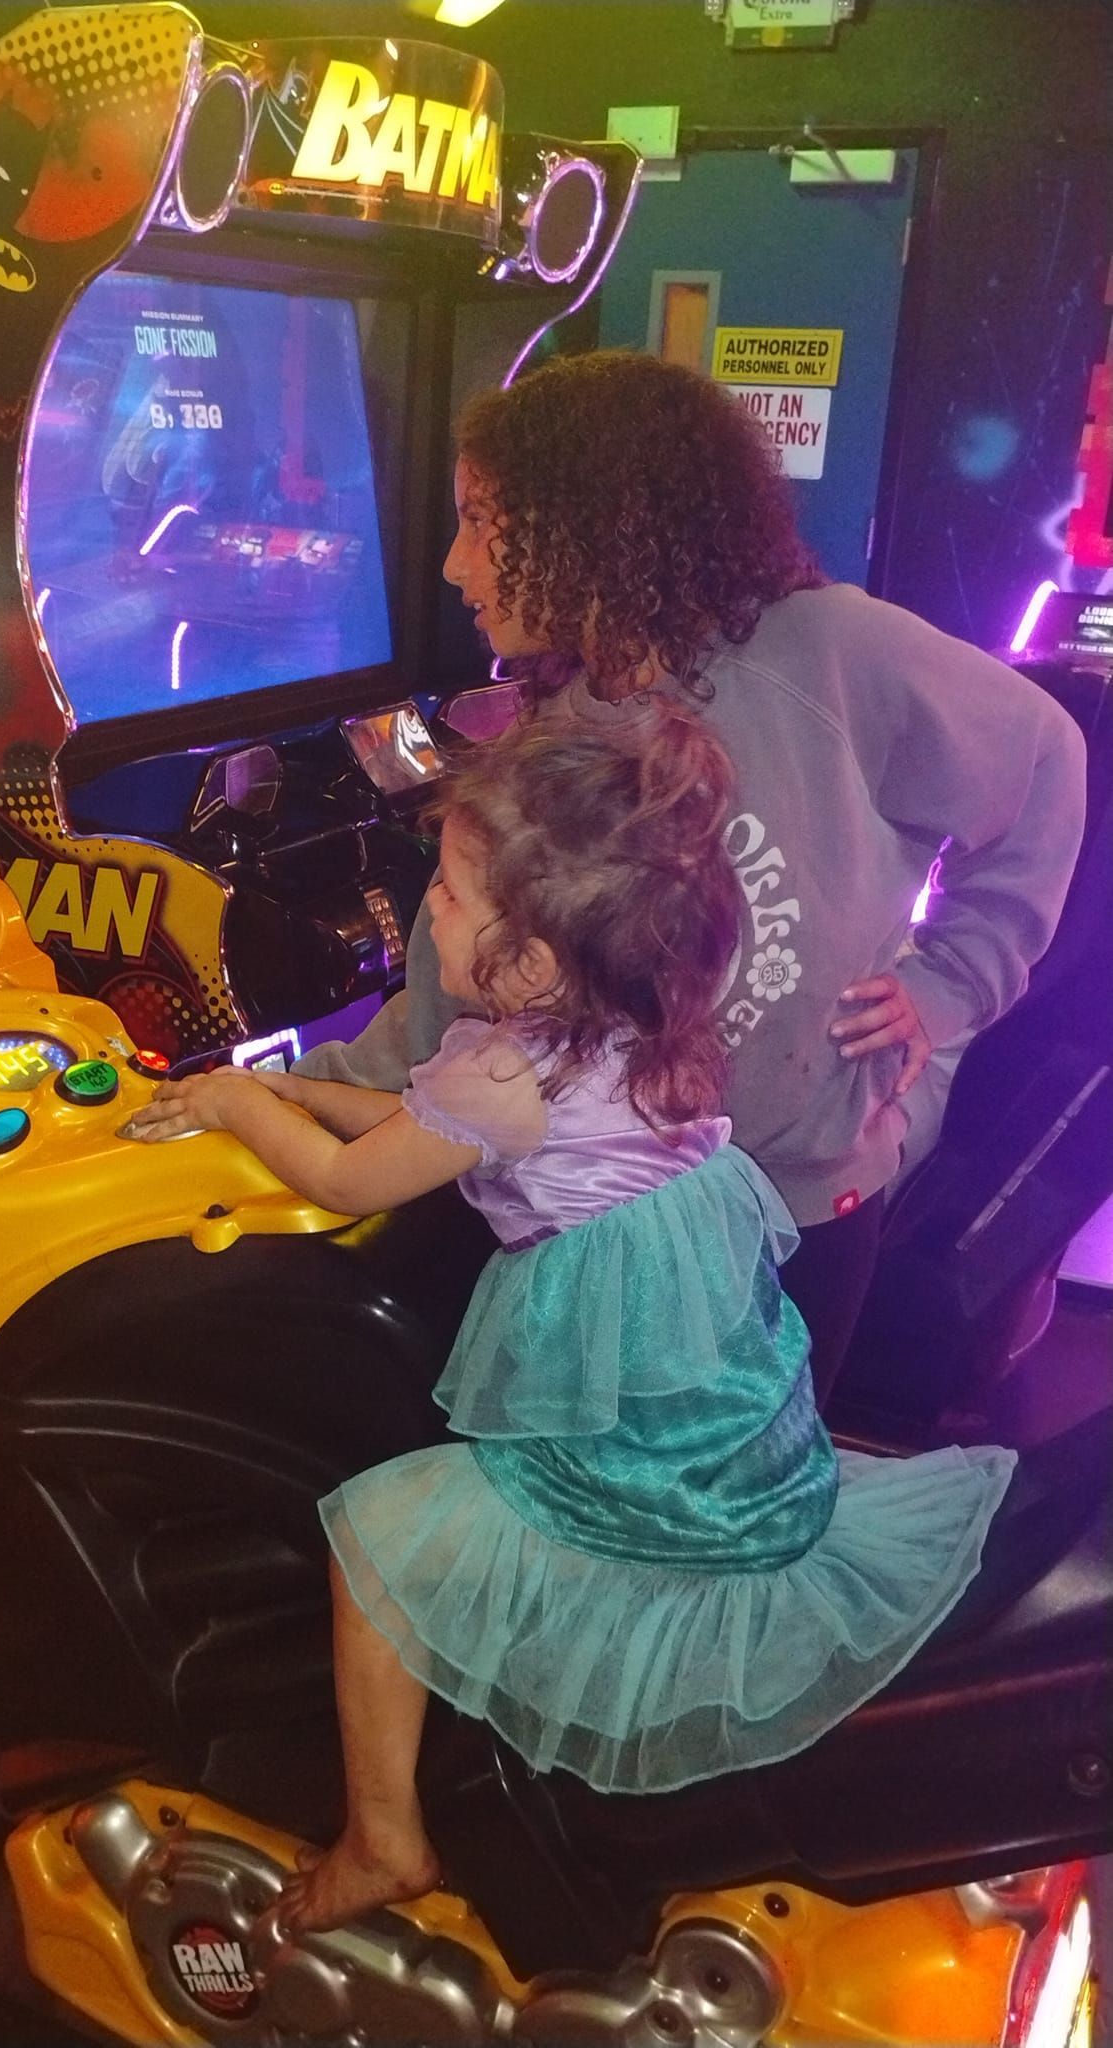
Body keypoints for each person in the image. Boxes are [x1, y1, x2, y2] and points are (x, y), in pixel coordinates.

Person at [124, 714, 1015, 1932]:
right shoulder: (622, 1027)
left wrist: (232, 1095)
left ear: (536, 963)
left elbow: (348, 1180)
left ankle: (385, 1838)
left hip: (634, 1415)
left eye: (443, 889)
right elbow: (408, 1115)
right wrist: (280, 1088)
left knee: (373, 1538)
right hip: (703, 1386)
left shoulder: (503, 1076)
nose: (422, 902)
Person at [298, 351, 1087, 1397]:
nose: (455, 564)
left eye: (483, 520)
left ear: (592, 516)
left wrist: (953, 983)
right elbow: (470, 993)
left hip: (792, 1200)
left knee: (735, 1516)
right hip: (598, 1219)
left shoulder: (829, 652)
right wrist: (295, 1093)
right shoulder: (564, 723)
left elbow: (1046, 762)